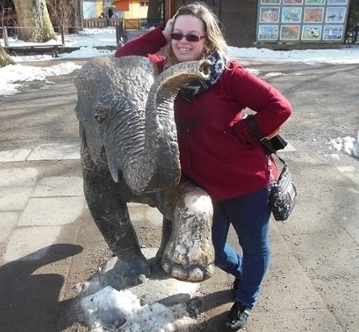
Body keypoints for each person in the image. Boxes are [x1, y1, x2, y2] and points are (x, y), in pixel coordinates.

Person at [115, 2, 292, 331]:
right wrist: (160, 33)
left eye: (192, 36)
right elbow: (123, 58)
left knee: (255, 245)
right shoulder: (163, 68)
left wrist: (243, 132)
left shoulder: (228, 75)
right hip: (202, 188)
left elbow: (278, 107)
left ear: (207, 40)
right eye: (177, 34)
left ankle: (246, 299)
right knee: (215, 252)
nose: (183, 41)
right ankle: (244, 274)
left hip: (246, 183)